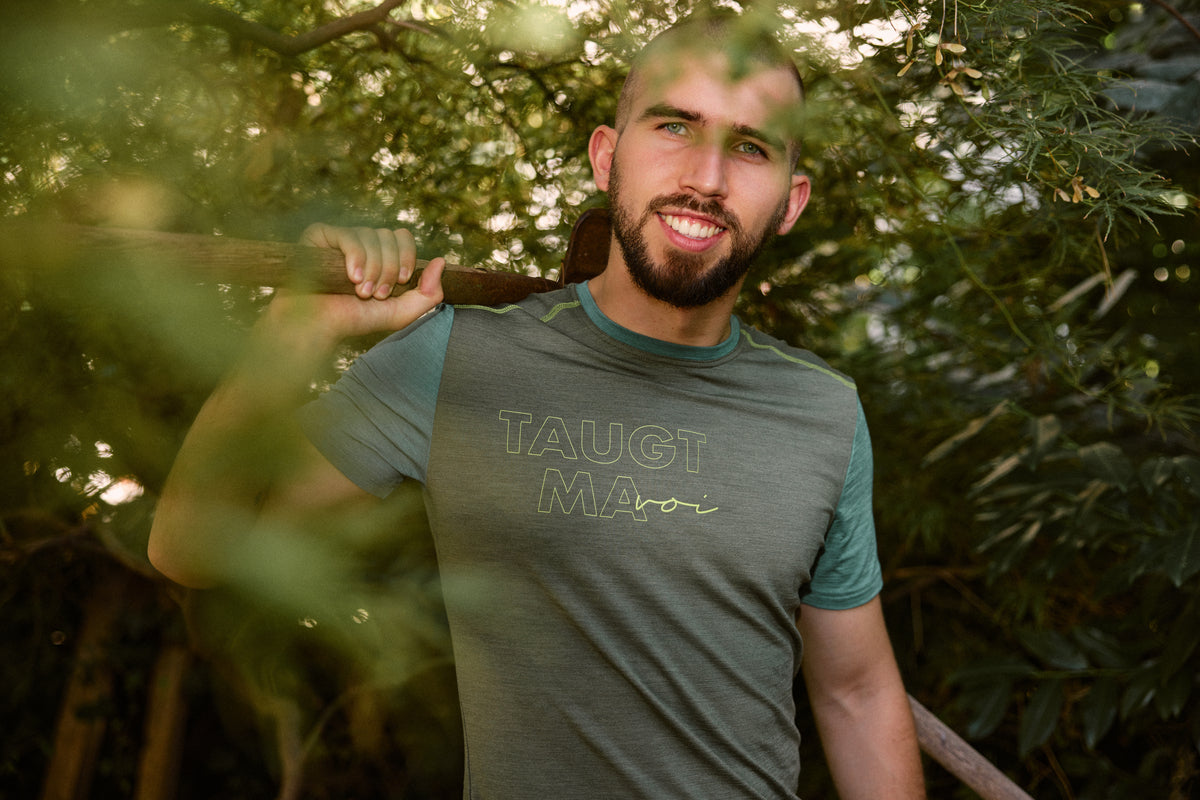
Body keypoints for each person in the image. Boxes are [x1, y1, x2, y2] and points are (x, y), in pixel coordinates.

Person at [149, 11, 925, 800]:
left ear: (790, 203)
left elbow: (855, 693)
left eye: (749, 147)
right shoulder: (459, 361)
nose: (708, 177)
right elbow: (192, 548)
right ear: (606, 156)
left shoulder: (823, 413)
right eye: (674, 126)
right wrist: (292, 335)